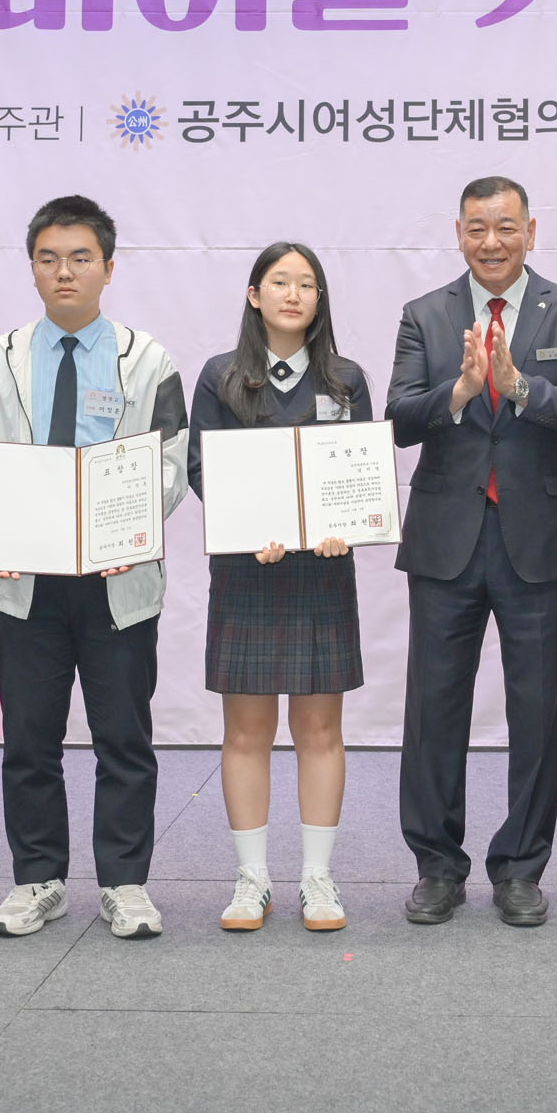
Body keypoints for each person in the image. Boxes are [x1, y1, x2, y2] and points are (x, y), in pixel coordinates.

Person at [0, 194, 189, 940]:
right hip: (26, 582)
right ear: (31, 268)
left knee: (124, 739)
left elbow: (170, 464)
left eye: (81, 258)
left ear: (108, 269)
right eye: (49, 258)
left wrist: (122, 530)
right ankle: (37, 880)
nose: (65, 272)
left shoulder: (148, 361)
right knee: (30, 739)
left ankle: (125, 883)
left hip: (118, 581)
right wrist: (4, 525)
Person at [387, 175, 557, 927]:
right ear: (459, 234)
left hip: (539, 541)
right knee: (433, 710)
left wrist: (520, 388)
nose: (492, 242)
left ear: (530, 231)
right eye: (477, 228)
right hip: (446, 538)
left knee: (536, 712)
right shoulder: (425, 314)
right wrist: (457, 393)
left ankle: (520, 868)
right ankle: (436, 866)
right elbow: (398, 419)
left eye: (506, 227)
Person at [188, 242, 372, 933]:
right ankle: (252, 879)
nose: (293, 294)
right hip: (247, 570)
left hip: (322, 570)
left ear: (320, 299)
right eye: (279, 282)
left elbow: (360, 474)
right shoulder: (221, 376)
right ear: (253, 294)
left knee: (320, 730)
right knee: (247, 732)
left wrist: (345, 526)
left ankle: (317, 879)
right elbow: (203, 468)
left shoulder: (346, 380)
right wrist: (250, 528)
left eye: (307, 284)